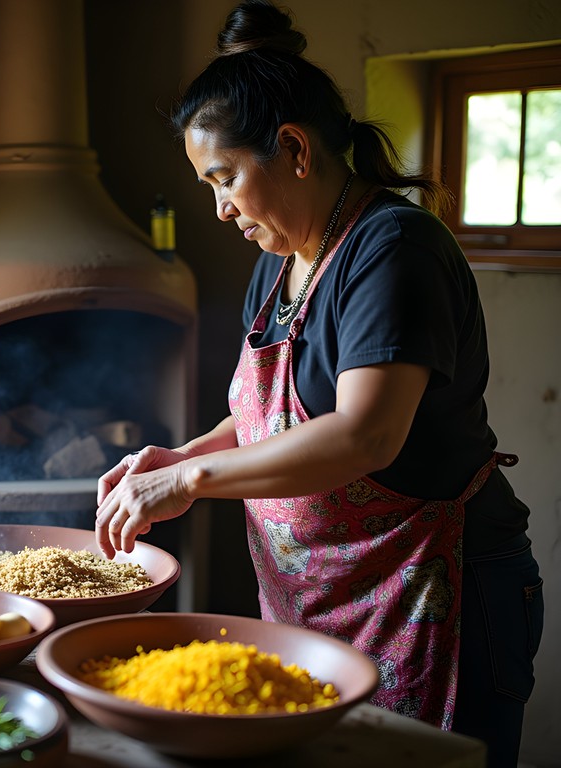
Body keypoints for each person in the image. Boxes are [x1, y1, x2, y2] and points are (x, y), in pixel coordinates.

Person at [93, 1, 543, 765]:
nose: (220, 206)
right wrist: (180, 458)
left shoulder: (393, 249)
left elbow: (364, 434)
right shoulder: (278, 264)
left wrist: (195, 481)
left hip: (431, 591)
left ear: (295, 149)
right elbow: (266, 415)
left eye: (225, 177)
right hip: (321, 600)